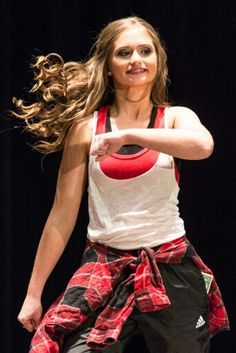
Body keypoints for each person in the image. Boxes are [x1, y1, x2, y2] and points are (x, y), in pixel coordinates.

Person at [14, 16, 229, 353]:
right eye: (124, 53)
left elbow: (203, 145)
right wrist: (33, 294)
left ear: (158, 61)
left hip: (169, 265)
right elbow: (61, 214)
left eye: (145, 51)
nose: (136, 60)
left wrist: (128, 135)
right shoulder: (86, 128)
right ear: (108, 66)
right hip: (103, 265)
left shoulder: (174, 118)